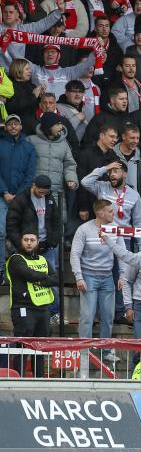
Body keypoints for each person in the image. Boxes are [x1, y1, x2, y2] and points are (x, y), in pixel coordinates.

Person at [4, 232, 57, 376]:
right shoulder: (16, 259)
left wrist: (39, 280)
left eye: (32, 240)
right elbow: (30, 275)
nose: (29, 243)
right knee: (22, 347)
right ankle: (18, 379)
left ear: (37, 242)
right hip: (23, 307)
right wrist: (44, 277)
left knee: (39, 349)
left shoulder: (42, 259)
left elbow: (56, 278)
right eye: (26, 240)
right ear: (21, 241)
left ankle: (38, 379)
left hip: (43, 309)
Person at [71, 200, 121, 340]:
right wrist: (79, 277)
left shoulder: (115, 228)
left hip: (107, 276)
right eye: (110, 211)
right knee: (87, 316)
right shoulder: (84, 229)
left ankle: (105, 351)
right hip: (88, 276)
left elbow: (122, 253)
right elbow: (75, 253)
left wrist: (122, 275)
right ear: (100, 213)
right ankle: (84, 352)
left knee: (108, 317)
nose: (114, 213)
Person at [1, 114, 37, 264]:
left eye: (16, 124)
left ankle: (19, 266)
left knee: (21, 233)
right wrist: (4, 192)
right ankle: (1, 268)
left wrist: (18, 194)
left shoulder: (29, 147)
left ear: (21, 127)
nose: (13, 127)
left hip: (22, 197)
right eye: (10, 124)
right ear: (6, 127)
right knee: (1, 233)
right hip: (2, 196)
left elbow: (30, 174)